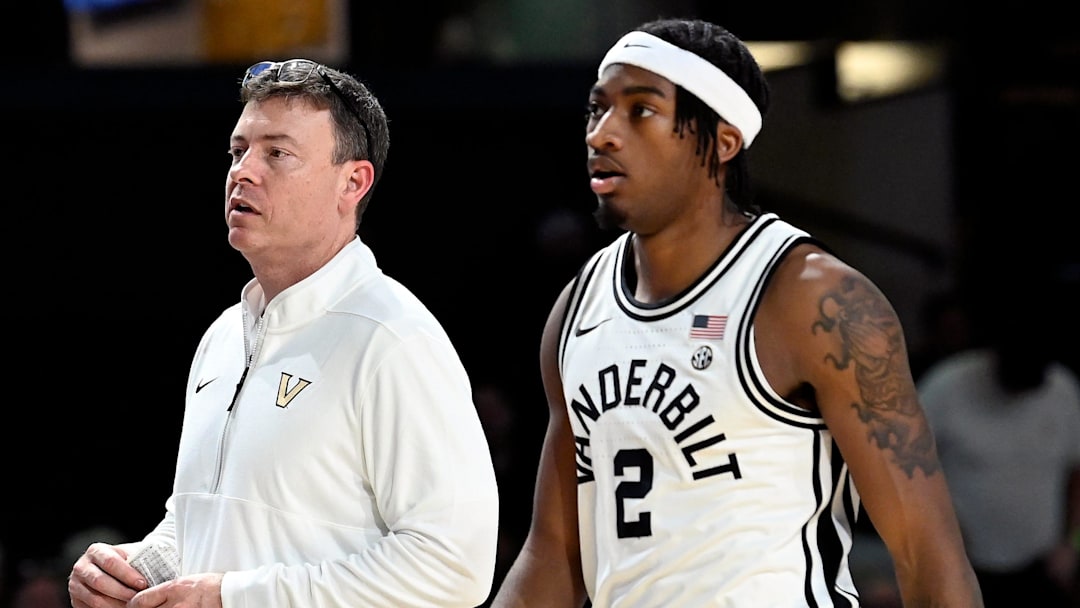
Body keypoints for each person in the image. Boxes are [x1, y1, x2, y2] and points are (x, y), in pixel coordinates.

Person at [492, 17, 983, 607]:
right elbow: (553, 555)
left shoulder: (812, 299)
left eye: (641, 111)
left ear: (723, 142)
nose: (602, 134)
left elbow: (927, 554)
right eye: (597, 110)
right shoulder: (580, 306)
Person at [67, 58, 499, 608]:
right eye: (238, 150)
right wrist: (134, 571)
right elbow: (208, 522)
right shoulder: (223, 338)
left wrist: (232, 598)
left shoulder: (393, 339)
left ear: (353, 182)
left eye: (277, 153)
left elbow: (453, 566)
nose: (243, 171)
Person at [917, 284, 1080, 607]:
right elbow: (902, 472)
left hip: (1040, 568)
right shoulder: (945, 387)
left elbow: (1075, 472)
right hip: (959, 568)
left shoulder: (1062, 389)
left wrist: (1071, 544)